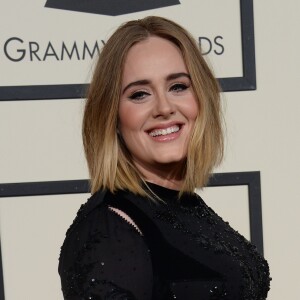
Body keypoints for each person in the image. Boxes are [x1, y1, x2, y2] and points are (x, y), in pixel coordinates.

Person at [58, 16, 270, 300]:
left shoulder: (185, 206)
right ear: (112, 117)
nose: (164, 107)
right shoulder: (110, 230)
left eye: (178, 87)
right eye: (140, 94)